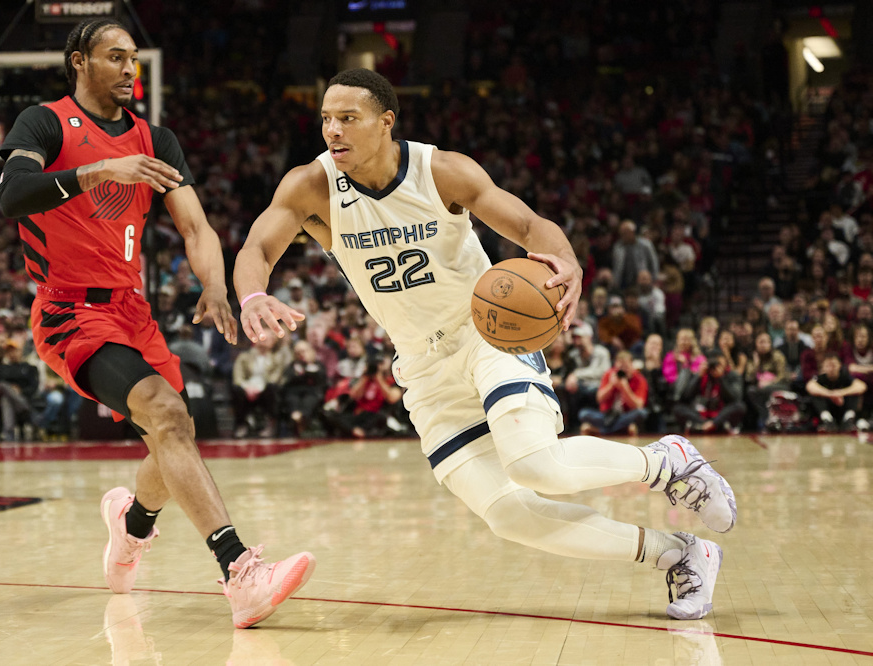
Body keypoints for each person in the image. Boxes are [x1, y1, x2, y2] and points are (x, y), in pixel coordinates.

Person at [232, 68, 736, 620]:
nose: (333, 130)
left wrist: (566, 262)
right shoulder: (311, 184)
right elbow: (257, 247)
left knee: (536, 464)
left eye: (348, 118)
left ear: (386, 121)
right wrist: (253, 294)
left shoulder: (440, 171)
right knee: (509, 514)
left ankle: (667, 462)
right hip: (421, 366)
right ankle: (680, 554)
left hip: (487, 333)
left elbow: (529, 225)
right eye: (327, 118)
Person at [0, 19, 313, 628]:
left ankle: (132, 525)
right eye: (115, 57)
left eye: (133, 59)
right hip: (68, 309)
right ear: (79, 61)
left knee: (174, 431)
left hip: (131, 309)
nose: (128, 69)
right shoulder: (44, 122)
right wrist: (99, 171)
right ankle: (239, 572)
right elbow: (13, 195)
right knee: (166, 413)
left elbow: (195, 226)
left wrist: (215, 286)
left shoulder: (155, 140)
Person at [578, 350, 648, 436]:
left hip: (625, 415)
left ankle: (601, 430)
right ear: (615, 366)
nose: (623, 370)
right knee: (583, 414)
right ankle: (621, 429)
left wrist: (625, 388)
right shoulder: (609, 375)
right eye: (620, 367)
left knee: (642, 413)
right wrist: (611, 385)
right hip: (606, 416)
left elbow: (638, 406)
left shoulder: (639, 379)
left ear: (631, 366)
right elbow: (599, 399)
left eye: (626, 367)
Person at [806, 356, 868, 432]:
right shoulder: (820, 378)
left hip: (843, 408)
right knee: (816, 395)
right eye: (828, 366)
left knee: (855, 393)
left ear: (840, 365)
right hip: (828, 409)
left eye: (834, 365)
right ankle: (827, 421)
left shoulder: (845, 376)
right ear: (823, 367)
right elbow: (810, 386)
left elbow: (861, 386)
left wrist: (841, 393)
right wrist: (831, 394)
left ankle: (849, 420)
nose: (831, 369)